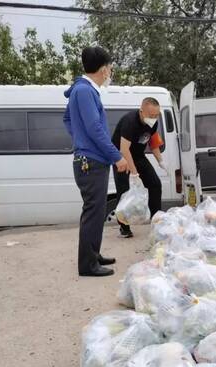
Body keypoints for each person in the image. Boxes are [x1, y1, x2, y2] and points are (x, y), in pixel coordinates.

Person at [64, 46, 128, 277]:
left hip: (90, 159)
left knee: (97, 210)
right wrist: (117, 156)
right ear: (102, 69)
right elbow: (95, 128)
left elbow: (68, 119)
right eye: (110, 68)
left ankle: (94, 255)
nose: (110, 73)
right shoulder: (84, 91)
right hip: (91, 162)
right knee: (93, 211)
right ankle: (88, 265)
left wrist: (80, 139)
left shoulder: (81, 90)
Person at [111, 97, 166, 238]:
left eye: (156, 115)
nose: (154, 118)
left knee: (155, 184)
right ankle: (124, 228)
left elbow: (153, 142)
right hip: (120, 157)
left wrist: (160, 160)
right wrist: (134, 173)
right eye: (151, 115)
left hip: (138, 155)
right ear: (142, 111)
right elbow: (124, 149)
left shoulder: (152, 123)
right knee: (124, 191)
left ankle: (156, 221)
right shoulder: (130, 122)